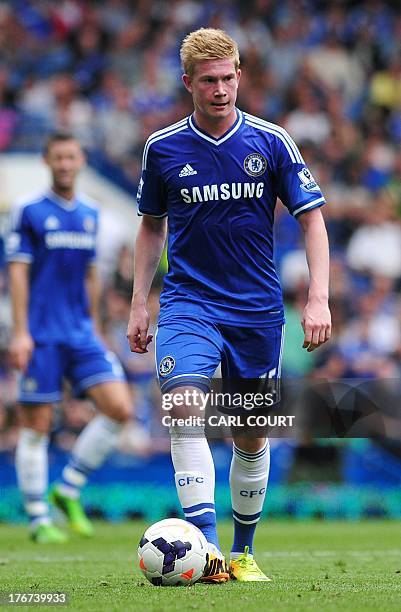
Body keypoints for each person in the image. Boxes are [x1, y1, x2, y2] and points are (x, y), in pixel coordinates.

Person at [127, 28, 331, 582]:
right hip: (190, 302)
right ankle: (209, 550)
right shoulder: (163, 147)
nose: (221, 89)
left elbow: (312, 219)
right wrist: (140, 304)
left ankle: (242, 551)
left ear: (239, 75)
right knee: (183, 409)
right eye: (209, 81)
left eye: (228, 78)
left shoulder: (271, 141)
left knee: (250, 434)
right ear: (188, 82)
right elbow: (150, 228)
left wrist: (317, 299)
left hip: (257, 310)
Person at [7, 132, 132, 543]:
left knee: (119, 407)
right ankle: (39, 518)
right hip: (40, 334)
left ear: (80, 161)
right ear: (47, 161)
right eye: (58, 157)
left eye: (71, 157)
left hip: (81, 333)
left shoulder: (92, 214)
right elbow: (19, 272)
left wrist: (96, 326)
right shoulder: (29, 211)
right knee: (37, 426)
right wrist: (21, 332)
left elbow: (92, 274)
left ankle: (68, 489)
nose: (65, 164)